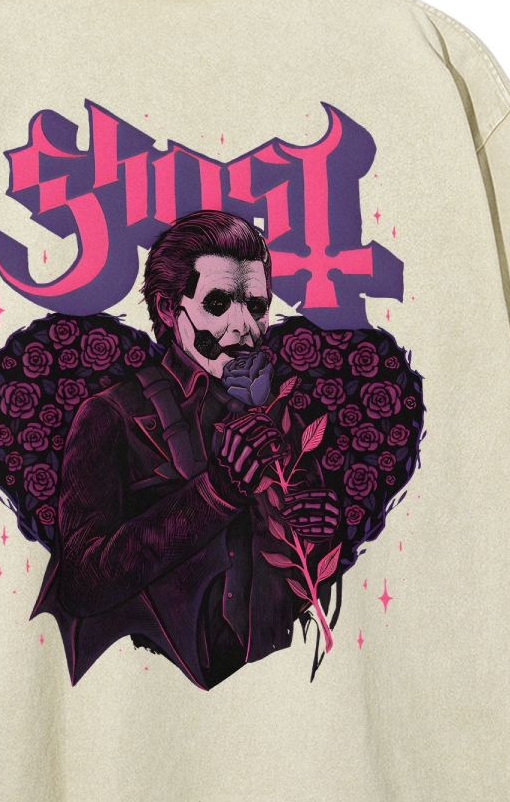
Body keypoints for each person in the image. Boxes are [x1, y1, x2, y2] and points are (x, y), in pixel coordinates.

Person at [33, 209, 339, 689]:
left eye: (257, 306)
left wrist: (321, 531)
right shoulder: (112, 416)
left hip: (283, 691)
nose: (244, 327)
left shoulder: (286, 417)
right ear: (167, 309)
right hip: (147, 685)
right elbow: (83, 583)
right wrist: (214, 495)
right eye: (217, 303)